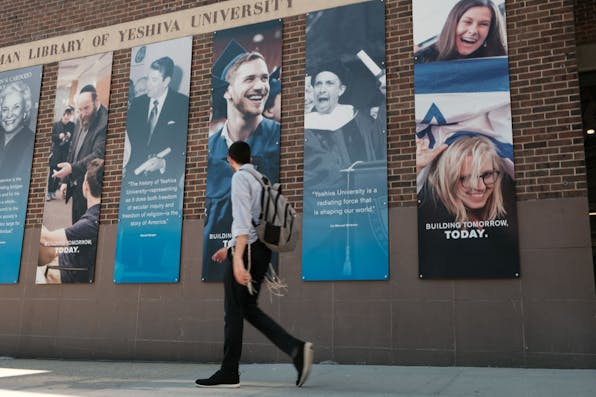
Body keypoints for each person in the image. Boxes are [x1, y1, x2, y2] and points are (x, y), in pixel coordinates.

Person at [196, 141, 313, 388]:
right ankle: (296, 349)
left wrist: (237, 260)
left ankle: (229, 372)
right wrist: (228, 248)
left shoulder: (240, 178)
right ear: (249, 157)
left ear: (230, 159)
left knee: (234, 312)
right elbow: (254, 221)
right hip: (261, 251)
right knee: (248, 309)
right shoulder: (261, 178)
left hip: (247, 251)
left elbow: (242, 223)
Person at [203, 43, 280, 280]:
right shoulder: (209, 148)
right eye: (249, 79)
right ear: (227, 91)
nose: (261, 86)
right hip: (214, 264)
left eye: (264, 78)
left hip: (263, 264)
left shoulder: (278, 139)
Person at [417, 135, 518, 277]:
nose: (480, 187)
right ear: (448, 180)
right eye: (466, 178)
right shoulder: (429, 213)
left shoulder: (507, 214)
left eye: (487, 174)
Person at [304, 62, 384, 189]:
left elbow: (379, 141)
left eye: (329, 83)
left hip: (364, 193)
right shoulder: (305, 126)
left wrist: (387, 93)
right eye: (318, 84)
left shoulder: (356, 117)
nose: (322, 89)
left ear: (341, 90)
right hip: (327, 199)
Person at [39, 159, 103, 284]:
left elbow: (46, 239)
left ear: (86, 186)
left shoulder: (90, 223)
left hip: (64, 273)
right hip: (68, 258)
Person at [125, 56, 188, 179]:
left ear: (166, 82)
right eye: (148, 78)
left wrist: (163, 163)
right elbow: (128, 141)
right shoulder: (137, 104)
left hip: (162, 182)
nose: (148, 84)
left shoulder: (182, 104)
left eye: (154, 80)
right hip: (133, 178)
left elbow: (183, 147)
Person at [53, 84, 107, 224]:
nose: (82, 113)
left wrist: (71, 168)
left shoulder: (105, 121)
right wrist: (66, 180)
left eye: (86, 108)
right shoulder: (80, 118)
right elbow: (72, 149)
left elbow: (98, 155)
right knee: (76, 225)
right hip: (76, 186)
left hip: (92, 188)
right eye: (79, 109)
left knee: (86, 232)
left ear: (96, 102)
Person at [414, 0, 507, 64]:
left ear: (490, 31)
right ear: (453, 24)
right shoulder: (423, 58)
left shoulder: (500, 64)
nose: (473, 31)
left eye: (483, 24)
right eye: (467, 22)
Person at [0, 80, 36, 179]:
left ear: (25, 111)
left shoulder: (32, 142)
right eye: (5, 109)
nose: (9, 114)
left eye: (16, 107)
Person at [47, 107, 74, 200]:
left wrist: (70, 136)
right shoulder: (56, 125)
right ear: (62, 116)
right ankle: (49, 192)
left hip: (65, 153)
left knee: (60, 174)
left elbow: (74, 138)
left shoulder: (72, 125)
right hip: (56, 152)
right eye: (65, 118)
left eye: (68, 118)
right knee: (52, 173)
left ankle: (54, 191)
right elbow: (51, 136)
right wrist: (58, 136)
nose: (67, 120)